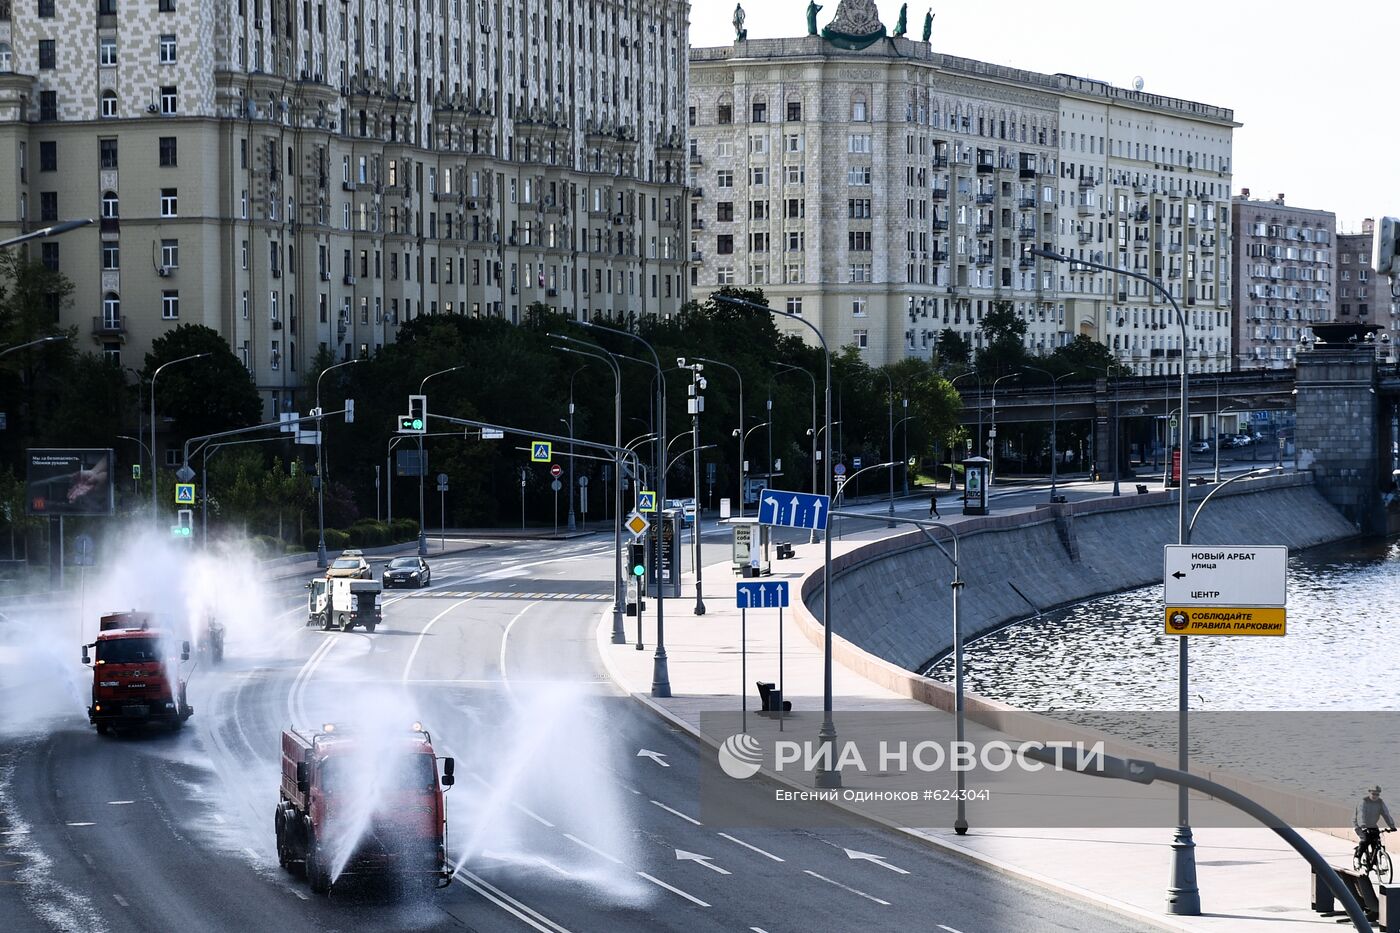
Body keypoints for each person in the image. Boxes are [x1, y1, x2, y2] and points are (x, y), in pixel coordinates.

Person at [1355, 784, 1397, 861]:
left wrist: (1392, 826)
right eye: (1373, 794)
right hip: (1359, 824)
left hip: (1372, 824)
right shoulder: (1363, 802)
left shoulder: (1380, 802)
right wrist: (1362, 825)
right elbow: (1361, 814)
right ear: (1369, 792)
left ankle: (1373, 860)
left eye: (1377, 794)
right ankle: (1358, 857)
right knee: (1365, 839)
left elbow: (1386, 814)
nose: (1375, 796)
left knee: (1376, 841)